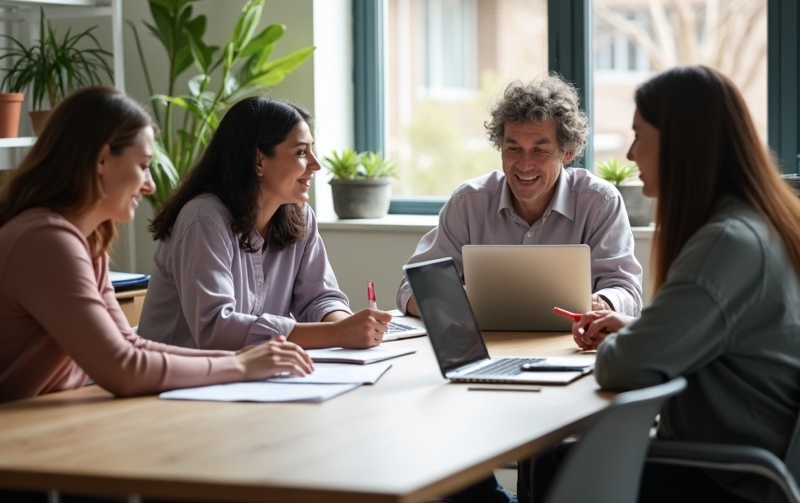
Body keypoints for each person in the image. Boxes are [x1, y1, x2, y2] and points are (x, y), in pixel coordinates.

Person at [527, 65, 800, 502]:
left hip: (734, 479)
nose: (631, 154)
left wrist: (632, 342)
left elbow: (621, 367)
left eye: (639, 136)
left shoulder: (725, 243)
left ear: (680, 144)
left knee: (554, 464)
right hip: (746, 463)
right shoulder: (756, 225)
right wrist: (636, 329)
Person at [0, 86, 314, 404]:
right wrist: (240, 364)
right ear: (103, 160)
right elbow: (123, 367)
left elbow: (129, 346)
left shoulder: (83, 241)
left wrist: (245, 362)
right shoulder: (46, 241)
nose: (150, 185)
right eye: (143, 165)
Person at [137, 96, 392, 352]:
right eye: (301, 152)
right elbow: (214, 328)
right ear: (259, 160)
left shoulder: (300, 216)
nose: (316, 165)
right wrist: (335, 333)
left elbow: (319, 298)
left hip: (249, 375)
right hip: (176, 381)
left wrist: (350, 328)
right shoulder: (203, 219)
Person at [396, 74, 643, 319]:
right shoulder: (468, 203)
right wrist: (453, 305)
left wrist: (604, 303)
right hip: (485, 346)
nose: (524, 165)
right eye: (513, 149)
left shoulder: (600, 202)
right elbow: (411, 287)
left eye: (539, 151)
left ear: (566, 153)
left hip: (571, 345)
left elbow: (626, 291)